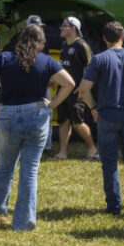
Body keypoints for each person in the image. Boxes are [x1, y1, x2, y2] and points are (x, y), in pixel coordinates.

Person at [0, 25, 74, 231]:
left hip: (8, 114)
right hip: (37, 114)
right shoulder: (47, 61)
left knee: (5, 166)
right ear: (41, 42)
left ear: (21, 39)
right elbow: (69, 83)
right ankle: (24, 222)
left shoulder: (4, 59)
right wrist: (53, 104)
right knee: (29, 172)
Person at [77, 21, 124, 215]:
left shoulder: (99, 59)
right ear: (123, 37)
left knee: (109, 163)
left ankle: (113, 205)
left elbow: (83, 90)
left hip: (107, 116)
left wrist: (93, 108)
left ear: (104, 38)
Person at [50, 16, 98, 161]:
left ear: (73, 28)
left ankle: (92, 149)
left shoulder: (81, 45)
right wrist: (54, 78)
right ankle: (62, 153)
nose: (61, 28)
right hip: (63, 91)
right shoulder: (64, 45)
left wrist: (84, 87)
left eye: (64, 26)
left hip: (77, 92)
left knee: (77, 122)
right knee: (63, 121)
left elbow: (91, 67)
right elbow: (63, 67)